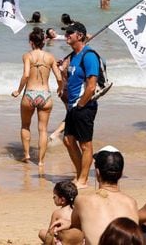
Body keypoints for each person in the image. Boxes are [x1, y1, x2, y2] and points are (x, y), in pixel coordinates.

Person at [51, 146, 139, 245]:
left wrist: (69, 224)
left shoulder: (82, 200)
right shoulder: (132, 203)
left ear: (97, 173)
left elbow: (76, 225)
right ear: (121, 173)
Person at [11, 28, 63, 166]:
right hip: (45, 95)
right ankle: (40, 161)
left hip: (29, 94)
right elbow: (59, 77)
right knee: (43, 129)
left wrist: (18, 90)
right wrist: (61, 88)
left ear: (31, 42)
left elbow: (26, 75)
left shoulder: (27, 56)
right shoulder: (51, 57)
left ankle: (27, 155)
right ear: (44, 41)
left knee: (25, 126)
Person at [62, 22, 99, 189]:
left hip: (84, 106)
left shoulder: (89, 55)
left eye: (70, 32)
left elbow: (91, 85)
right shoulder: (73, 57)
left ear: (80, 36)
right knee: (68, 140)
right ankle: (80, 175)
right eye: (66, 32)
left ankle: (83, 180)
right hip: (73, 106)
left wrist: (81, 105)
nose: (67, 35)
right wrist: (62, 71)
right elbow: (70, 81)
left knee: (85, 144)